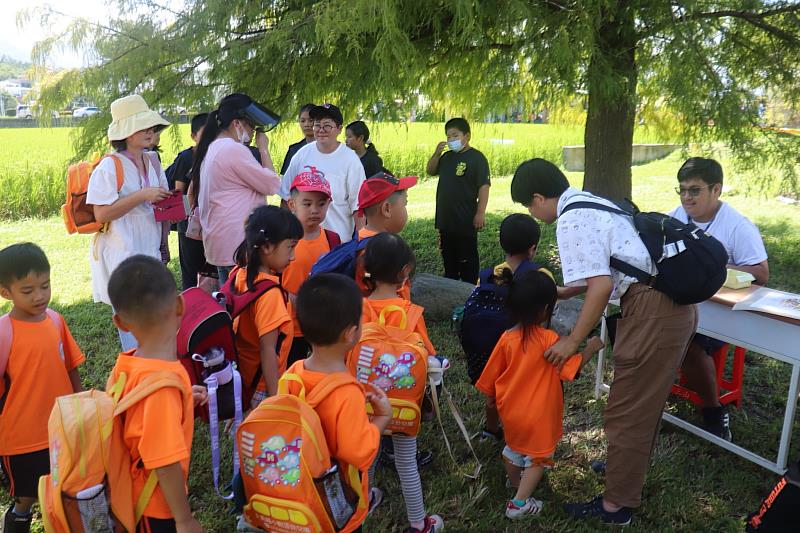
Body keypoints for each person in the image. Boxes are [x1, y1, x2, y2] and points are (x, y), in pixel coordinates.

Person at [510, 158, 696, 525]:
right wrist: (564, 291)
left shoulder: (570, 218)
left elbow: (603, 285)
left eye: (529, 206)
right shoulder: (590, 202)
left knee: (627, 411)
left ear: (537, 197)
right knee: (637, 405)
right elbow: (610, 267)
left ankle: (616, 506)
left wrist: (572, 340)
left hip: (651, 311)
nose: (533, 213)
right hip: (665, 307)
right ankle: (621, 470)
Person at [476, 270, 603, 520]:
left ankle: (515, 483)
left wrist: (490, 400)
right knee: (538, 457)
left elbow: (489, 379)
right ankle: (519, 503)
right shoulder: (550, 340)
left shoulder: (506, 338)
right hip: (540, 416)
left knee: (513, 449)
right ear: (546, 309)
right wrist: (590, 348)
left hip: (510, 412)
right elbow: (572, 370)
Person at [668, 157, 769, 439]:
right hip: (684, 301)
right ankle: (651, 393)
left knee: (687, 342)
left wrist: (714, 268)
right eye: (683, 189)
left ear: (716, 190)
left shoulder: (737, 226)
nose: (687, 197)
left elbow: (761, 274)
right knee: (645, 324)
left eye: (695, 190)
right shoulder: (675, 215)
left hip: (722, 313)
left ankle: (713, 410)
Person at [106, 255, 208, 533]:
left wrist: (184, 397)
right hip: (154, 508)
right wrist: (184, 519)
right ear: (179, 305)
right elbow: (164, 463)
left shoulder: (126, 364)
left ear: (120, 322)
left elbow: (134, 412)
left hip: (131, 491)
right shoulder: (162, 389)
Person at [286, 273, 392, 533]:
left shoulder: (293, 374)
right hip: (336, 503)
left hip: (301, 491)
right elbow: (359, 453)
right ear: (351, 333)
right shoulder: (347, 392)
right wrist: (381, 419)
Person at [360, 233, 444, 533]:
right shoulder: (409, 312)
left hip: (365, 401)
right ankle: (419, 523)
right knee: (407, 463)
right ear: (404, 273)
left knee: (366, 456)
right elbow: (429, 355)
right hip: (404, 403)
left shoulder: (359, 309)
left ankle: (365, 500)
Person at [0, 243, 84, 533]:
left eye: (45, 286)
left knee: (65, 490)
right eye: (28, 290)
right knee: (27, 497)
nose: (39, 296)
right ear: (5, 292)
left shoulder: (56, 320)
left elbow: (70, 367)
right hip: (21, 438)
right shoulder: (4, 332)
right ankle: (17, 522)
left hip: (61, 430)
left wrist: (80, 407)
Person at [87, 94, 172, 351]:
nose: (150, 131)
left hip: (151, 250)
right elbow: (101, 214)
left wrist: (164, 242)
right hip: (122, 254)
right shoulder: (109, 167)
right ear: (126, 132)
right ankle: (137, 378)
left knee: (156, 320)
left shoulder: (153, 161)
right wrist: (142, 195)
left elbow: (163, 206)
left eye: (151, 126)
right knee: (133, 330)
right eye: (142, 126)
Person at [468, 214, 548, 441]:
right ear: (532, 248)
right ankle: (520, 439)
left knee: (493, 393)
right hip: (523, 349)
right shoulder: (539, 276)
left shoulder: (488, 275)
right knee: (523, 395)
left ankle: (491, 430)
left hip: (489, 349)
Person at [191, 93, 281, 282]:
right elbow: (271, 185)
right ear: (236, 123)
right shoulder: (232, 149)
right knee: (243, 304)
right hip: (237, 243)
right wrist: (263, 148)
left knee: (231, 299)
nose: (253, 131)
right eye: (251, 125)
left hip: (223, 241)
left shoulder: (213, 147)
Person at [232, 205, 303, 407]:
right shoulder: (269, 294)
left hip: (244, 376)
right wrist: (274, 398)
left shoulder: (241, 274)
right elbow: (268, 350)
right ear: (267, 247)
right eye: (290, 247)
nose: (293, 256)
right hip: (262, 385)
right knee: (265, 436)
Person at [280, 104, 367, 242]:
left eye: (327, 125)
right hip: (302, 241)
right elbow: (286, 196)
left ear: (339, 129)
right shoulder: (302, 154)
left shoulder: (350, 160)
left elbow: (358, 207)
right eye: (317, 125)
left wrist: (361, 244)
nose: (321, 130)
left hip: (337, 242)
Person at [282, 167, 339, 366]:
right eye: (307, 203)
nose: (315, 210)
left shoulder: (332, 240)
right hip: (291, 327)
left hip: (323, 323)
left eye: (321, 204)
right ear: (292, 204)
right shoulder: (281, 243)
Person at [425, 117, 490, 283]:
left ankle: (469, 287)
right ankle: (450, 283)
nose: (451, 140)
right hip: (446, 218)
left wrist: (480, 213)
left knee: (467, 258)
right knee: (448, 257)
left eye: (455, 135)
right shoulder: (446, 157)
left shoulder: (477, 158)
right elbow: (430, 170)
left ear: (467, 136)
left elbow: (484, 186)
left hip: (465, 218)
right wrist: (437, 153)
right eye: (448, 136)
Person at [166, 113, 217, 291]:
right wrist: (187, 219)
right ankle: (191, 304)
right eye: (205, 133)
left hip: (212, 220)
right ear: (193, 136)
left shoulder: (217, 155)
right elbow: (179, 192)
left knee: (210, 269)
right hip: (189, 224)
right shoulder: (186, 157)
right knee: (191, 269)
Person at [354, 171, 416, 299]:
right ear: (386, 209)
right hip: (390, 316)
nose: (406, 210)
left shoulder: (357, 241)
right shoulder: (384, 252)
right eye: (405, 204)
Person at [280, 103, 316, 175]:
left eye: (311, 120)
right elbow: (285, 179)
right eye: (303, 121)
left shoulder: (328, 149)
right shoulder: (294, 150)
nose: (306, 124)